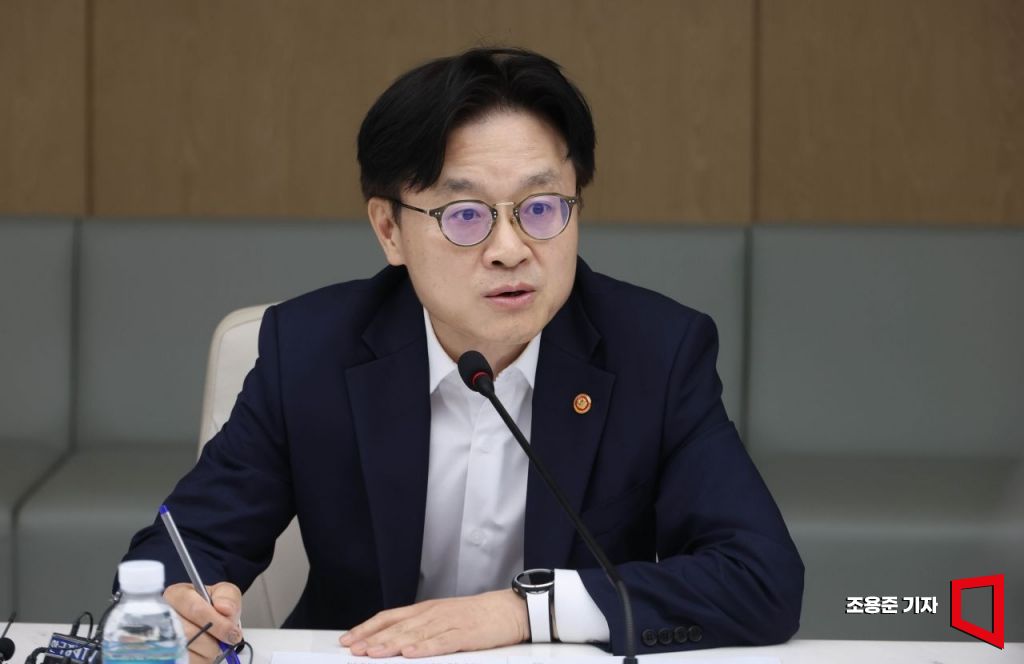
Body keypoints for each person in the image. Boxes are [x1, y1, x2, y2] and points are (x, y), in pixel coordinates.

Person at [121, 46, 803, 660]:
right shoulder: (309, 350)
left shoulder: (656, 352)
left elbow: (761, 578)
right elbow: (183, 545)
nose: (510, 249)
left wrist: (525, 612)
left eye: (542, 207)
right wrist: (180, 603)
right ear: (390, 230)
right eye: (466, 215)